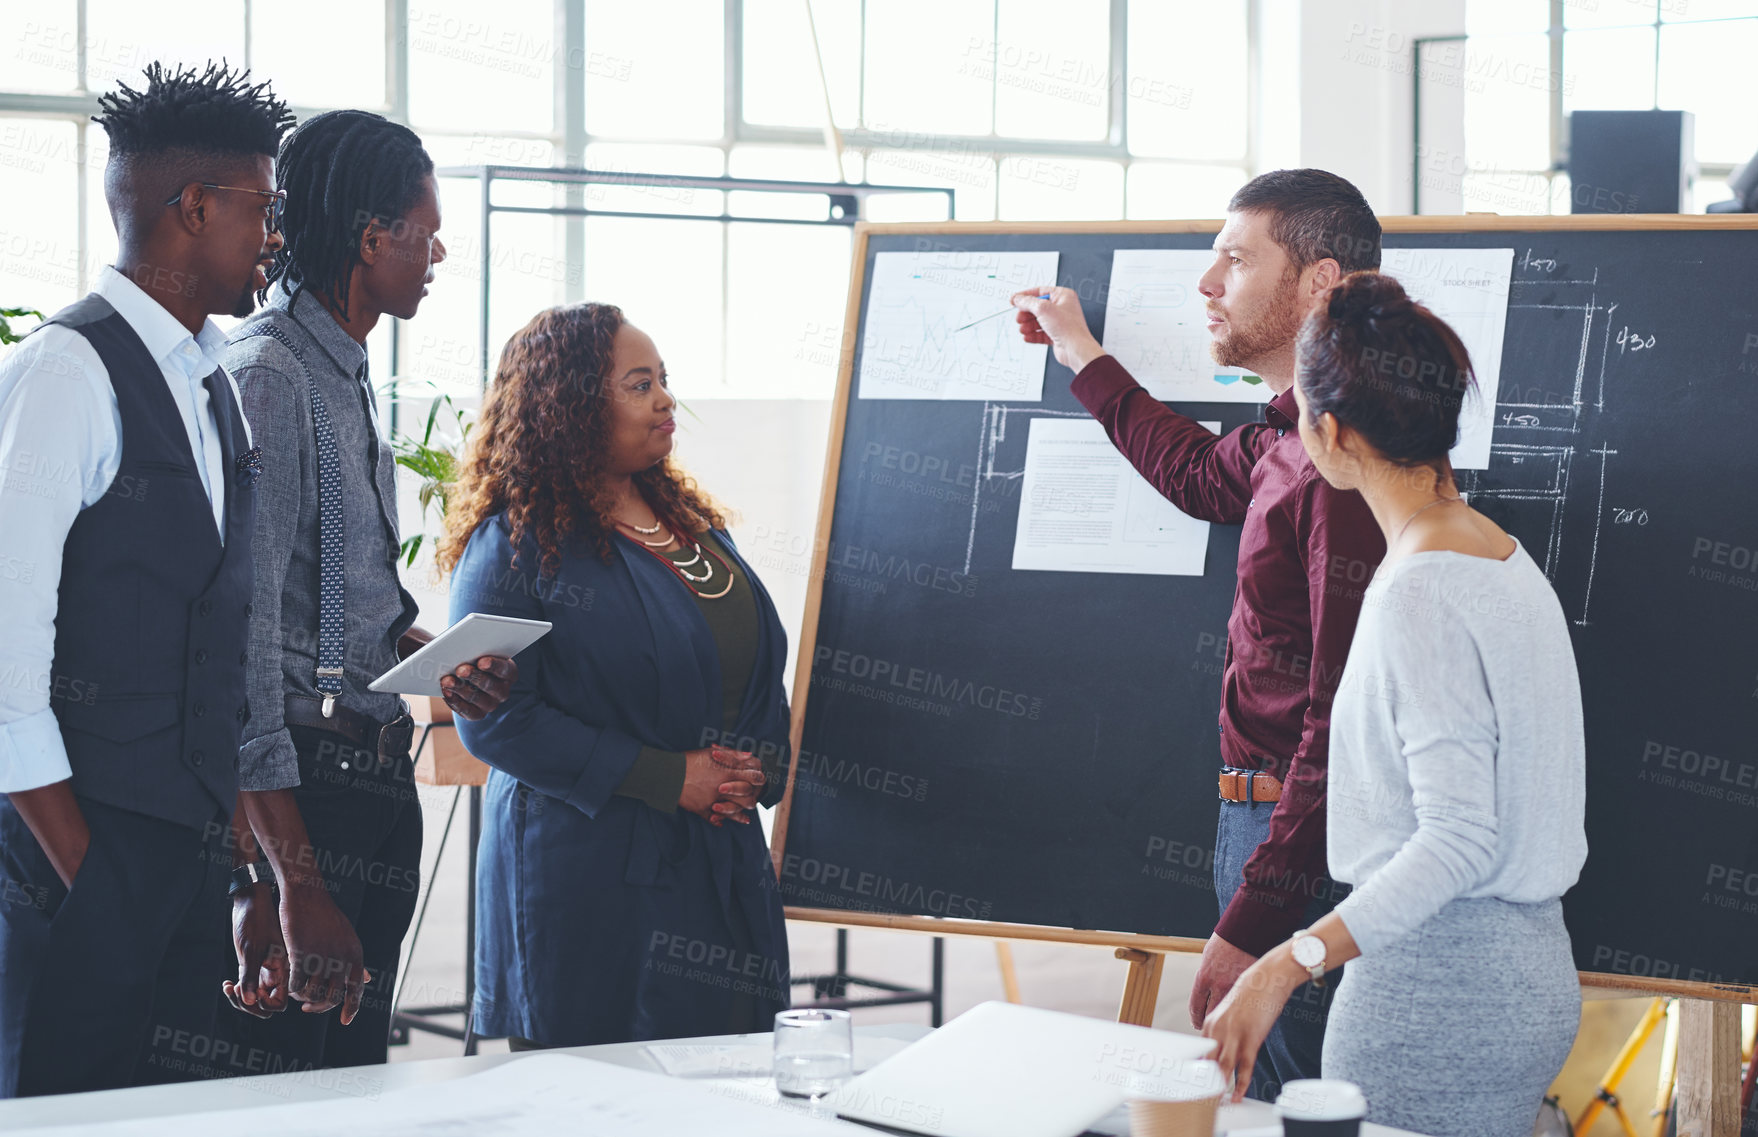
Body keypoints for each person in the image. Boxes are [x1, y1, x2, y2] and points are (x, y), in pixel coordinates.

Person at [1011, 169, 1386, 1101]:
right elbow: (1189, 470)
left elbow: (1341, 725)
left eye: (1235, 259)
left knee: (1296, 1101)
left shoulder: (1338, 470)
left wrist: (1254, 918)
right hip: (1260, 826)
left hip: (1302, 841)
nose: (1207, 284)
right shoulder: (1285, 442)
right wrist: (1080, 353)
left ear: (1319, 285)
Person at [1202, 272, 1586, 1137]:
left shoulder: (1418, 589)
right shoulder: (1499, 555)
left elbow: (1456, 839)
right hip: (1522, 974)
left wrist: (1286, 964)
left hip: (1436, 992)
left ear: (1331, 433)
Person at [0, 62, 292, 1095]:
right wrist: (91, 878)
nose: (276, 233)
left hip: (174, 870)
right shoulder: (66, 375)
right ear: (194, 207)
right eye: (264, 206)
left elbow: (211, 648)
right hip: (72, 866)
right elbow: (5, 668)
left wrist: (239, 875)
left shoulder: (210, 380)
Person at [218, 109, 517, 1070]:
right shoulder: (268, 374)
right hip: (310, 798)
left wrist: (431, 660)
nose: (438, 251)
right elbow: (249, 654)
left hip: (373, 784)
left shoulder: (344, 377)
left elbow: (337, 613)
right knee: (288, 1090)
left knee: (346, 1089)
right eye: (426, 230)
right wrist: (286, 880)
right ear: (369, 236)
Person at [438, 303, 790, 1046]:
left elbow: (752, 665)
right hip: (590, 873)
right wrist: (671, 777)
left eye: (663, 380)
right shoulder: (514, 545)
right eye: (639, 385)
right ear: (568, 406)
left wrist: (759, 765)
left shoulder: (694, 524)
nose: (665, 400)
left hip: (720, 850)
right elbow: (498, 717)